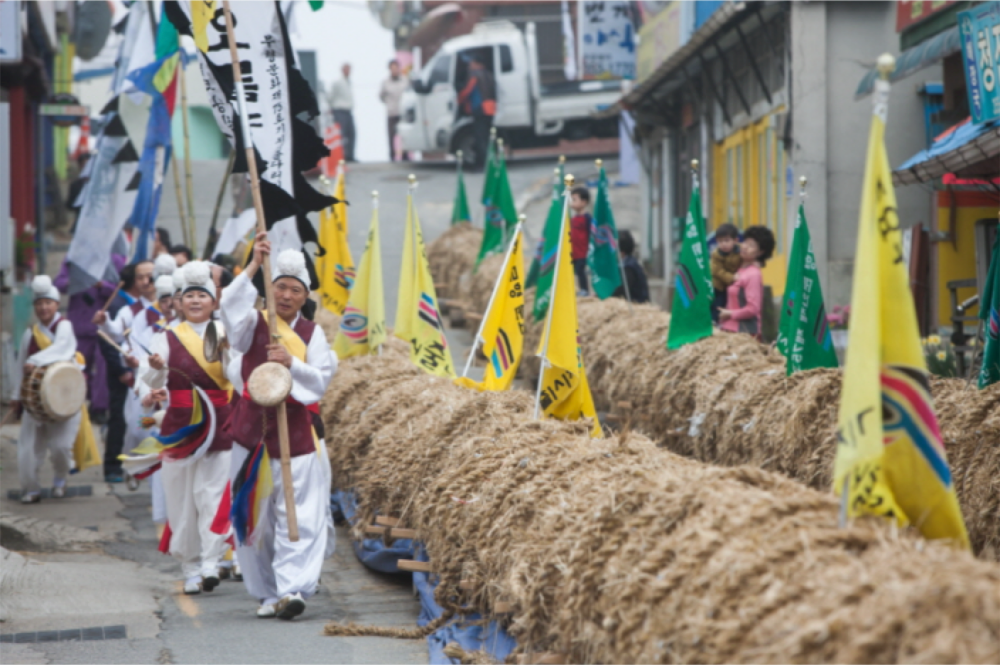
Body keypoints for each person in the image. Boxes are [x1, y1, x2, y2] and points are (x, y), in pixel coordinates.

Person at [220, 234, 337, 620]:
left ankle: (292, 589)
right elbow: (229, 309)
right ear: (268, 289)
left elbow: (319, 380)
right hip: (251, 433)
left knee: (297, 515)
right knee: (256, 519)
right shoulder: (251, 322)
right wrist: (253, 263)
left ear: (305, 297)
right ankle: (266, 592)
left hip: (296, 434)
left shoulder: (311, 335)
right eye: (280, 287)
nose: (286, 295)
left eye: (294, 290)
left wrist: (291, 364)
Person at [144, 261, 235, 595]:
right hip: (181, 425)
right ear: (179, 303)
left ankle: (212, 561)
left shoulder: (225, 333)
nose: (196, 301)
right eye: (189, 296)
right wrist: (155, 370)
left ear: (214, 301)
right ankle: (191, 567)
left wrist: (227, 355)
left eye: (202, 295)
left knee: (213, 495)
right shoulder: (165, 337)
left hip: (220, 423)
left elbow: (236, 376)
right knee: (182, 499)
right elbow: (151, 380)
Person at [11, 276, 86, 503]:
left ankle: (60, 479)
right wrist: (16, 396)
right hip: (35, 401)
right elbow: (19, 368)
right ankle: (31, 488)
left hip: (64, 399)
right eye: (39, 303)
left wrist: (36, 359)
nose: (44, 307)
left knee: (61, 447)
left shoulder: (64, 326)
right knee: (28, 450)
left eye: (48, 303)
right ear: (35, 306)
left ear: (56, 304)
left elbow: (63, 349)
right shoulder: (29, 335)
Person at [52, 254, 127, 423]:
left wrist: (101, 285)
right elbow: (59, 284)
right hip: (79, 322)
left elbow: (121, 289)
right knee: (77, 367)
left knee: (102, 371)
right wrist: (75, 282)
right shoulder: (74, 258)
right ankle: (74, 403)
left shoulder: (115, 260)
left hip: (103, 325)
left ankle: (98, 408)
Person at [718, 225, 775, 340]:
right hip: (729, 331)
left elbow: (753, 309)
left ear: (760, 252)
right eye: (745, 242)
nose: (745, 247)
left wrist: (729, 313)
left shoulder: (753, 274)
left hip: (745, 335)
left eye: (751, 245)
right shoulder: (738, 268)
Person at [456, 56, 496, 170]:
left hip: (480, 109)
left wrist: (458, 100)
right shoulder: (489, 73)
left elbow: (467, 90)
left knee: (480, 138)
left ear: (477, 64)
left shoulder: (475, 74)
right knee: (487, 138)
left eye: (471, 63)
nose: (469, 66)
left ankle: (484, 165)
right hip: (490, 108)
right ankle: (488, 162)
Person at [710, 223, 742, 323]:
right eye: (720, 241)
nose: (723, 244)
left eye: (727, 240)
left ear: (735, 240)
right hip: (719, 286)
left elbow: (745, 262)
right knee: (718, 304)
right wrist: (732, 278)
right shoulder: (716, 254)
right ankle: (713, 321)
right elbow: (717, 271)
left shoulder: (740, 251)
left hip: (734, 284)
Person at [380, 60, 409, 162]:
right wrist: (388, 103)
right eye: (392, 68)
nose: (395, 70)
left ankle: (405, 155)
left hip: (403, 112)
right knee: (391, 135)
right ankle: (392, 156)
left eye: (396, 68)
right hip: (391, 112)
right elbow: (381, 96)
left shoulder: (405, 80)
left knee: (404, 135)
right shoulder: (385, 82)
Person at [612, 230, 650, 304]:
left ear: (621, 252)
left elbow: (622, 289)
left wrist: (604, 294)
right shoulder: (631, 262)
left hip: (638, 304)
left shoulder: (628, 267)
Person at [328, 63, 356, 163]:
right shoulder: (337, 82)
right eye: (346, 69)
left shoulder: (349, 82)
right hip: (339, 110)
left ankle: (350, 156)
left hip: (348, 111)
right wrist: (331, 107)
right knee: (342, 134)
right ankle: (341, 156)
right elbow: (331, 96)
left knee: (351, 133)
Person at [569, 186, 592, 295]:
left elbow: (591, 234)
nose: (571, 202)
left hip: (583, 251)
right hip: (573, 251)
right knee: (572, 271)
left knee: (580, 271)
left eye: (574, 199)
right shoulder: (572, 219)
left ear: (583, 202)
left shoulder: (588, 218)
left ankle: (585, 290)